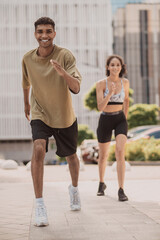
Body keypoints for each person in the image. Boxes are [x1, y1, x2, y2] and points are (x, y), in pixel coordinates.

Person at [22, 17, 82, 227]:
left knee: (71, 156)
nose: (44, 35)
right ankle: (39, 204)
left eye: (48, 31)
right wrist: (27, 105)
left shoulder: (65, 55)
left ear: (54, 33)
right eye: (40, 32)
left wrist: (62, 72)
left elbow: (76, 87)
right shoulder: (27, 58)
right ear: (35, 34)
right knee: (38, 149)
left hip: (64, 116)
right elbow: (26, 83)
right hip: (40, 112)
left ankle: (74, 189)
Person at [96, 55, 129, 201]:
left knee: (120, 152)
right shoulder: (101, 84)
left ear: (121, 67)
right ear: (108, 67)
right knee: (103, 156)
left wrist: (125, 118)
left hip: (120, 119)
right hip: (105, 119)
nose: (115, 67)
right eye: (112, 65)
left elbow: (126, 100)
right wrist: (109, 93)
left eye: (118, 65)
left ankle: (121, 189)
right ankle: (101, 183)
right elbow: (99, 107)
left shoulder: (125, 82)